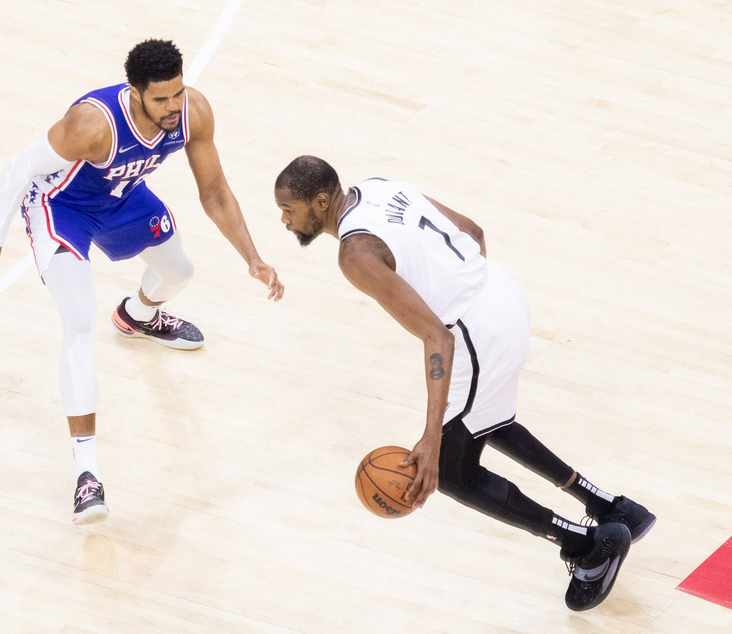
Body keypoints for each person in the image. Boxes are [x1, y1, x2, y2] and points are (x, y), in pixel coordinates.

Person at [273, 156, 654, 611]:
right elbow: (474, 232)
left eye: (288, 209)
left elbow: (436, 337)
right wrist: (473, 297)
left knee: (449, 470)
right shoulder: (379, 185)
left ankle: (584, 544)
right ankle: (613, 507)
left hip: (476, 333)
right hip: (503, 296)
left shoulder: (354, 255)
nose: (283, 219)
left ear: (320, 202)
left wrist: (430, 437)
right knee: (484, 420)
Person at [0, 39, 284, 526]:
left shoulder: (193, 111)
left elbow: (214, 190)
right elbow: (17, 168)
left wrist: (252, 257)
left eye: (177, 93)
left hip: (122, 198)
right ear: (135, 93)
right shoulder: (93, 125)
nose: (173, 107)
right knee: (80, 325)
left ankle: (138, 316)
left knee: (180, 272)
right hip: (62, 210)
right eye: (160, 100)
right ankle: (87, 476)